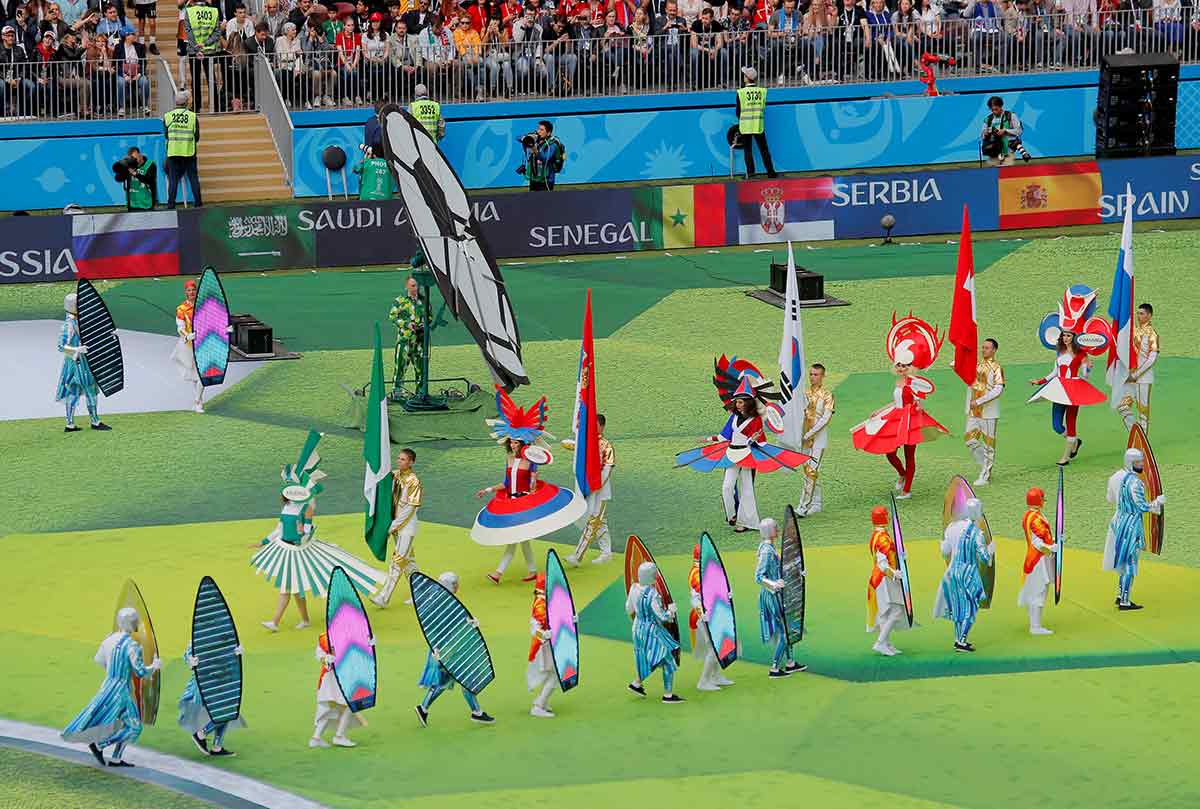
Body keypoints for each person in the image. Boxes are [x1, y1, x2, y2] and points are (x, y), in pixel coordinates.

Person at [252, 431, 385, 631]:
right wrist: (263, 542)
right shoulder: (287, 507)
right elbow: (279, 529)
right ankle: (304, 620)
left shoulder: (307, 507)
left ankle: (275, 622)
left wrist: (302, 533)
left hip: (299, 551)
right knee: (294, 589)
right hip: (285, 550)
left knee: (287, 588)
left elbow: (308, 532)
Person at [676, 357, 808, 531]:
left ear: (748, 402)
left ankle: (745, 522)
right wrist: (707, 440)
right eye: (736, 402)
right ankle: (732, 515)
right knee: (727, 487)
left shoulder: (756, 420)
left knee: (747, 489)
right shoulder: (733, 418)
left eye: (740, 402)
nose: (737, 405)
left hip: (747, 456)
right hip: (732, 454)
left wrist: (755, 438)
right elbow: (723, 437)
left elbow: (761, 442)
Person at [473, 387, 585, 584]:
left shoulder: (530, 461)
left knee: (513, 539)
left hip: (524, 503)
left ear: (523, 443)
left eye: (517, 442)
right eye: (512, 442)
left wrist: (533, 481)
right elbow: (506, 483)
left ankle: (498, 573)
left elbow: (532, 483)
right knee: (521, 539)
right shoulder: (509, 459)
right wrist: (488, 490)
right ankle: (531, 570)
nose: (513, 444)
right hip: (511, 503)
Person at [851, 315, 949, 499]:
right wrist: (880, 411)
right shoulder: (898, 381)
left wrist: (918, 406)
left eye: (905, 366)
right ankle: (902, 474)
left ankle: (907, 490)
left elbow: (919, 400)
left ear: (911, 366)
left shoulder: (914, 382)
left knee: (909, 455)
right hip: (895, 416)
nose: (901, 368)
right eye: (899, 365)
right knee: (890, 452)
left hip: (910, 420)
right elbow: (896, 401)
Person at [62, 607, 162, 767]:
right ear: (130, 623)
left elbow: (99, 660)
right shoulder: (132, 646)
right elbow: (140, 672)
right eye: (135, 620)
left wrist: (113, 672)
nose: (137, 623)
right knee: (135, 727)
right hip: (122, 692)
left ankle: (116, 758)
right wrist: (154, 666)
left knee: (126, 723)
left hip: (108, 686)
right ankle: (100, 745)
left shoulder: (108, 640)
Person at [414, 571, 496, 726]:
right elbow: (447, 625)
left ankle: (423, 708)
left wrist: (469, 623)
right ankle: (476, 712)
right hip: (450, 650)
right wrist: (469, 623)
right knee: (466, 677)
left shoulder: (441, 601)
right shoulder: (444, 603)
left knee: (446, 681)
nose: (458, 586)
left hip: (448, 649)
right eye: (455, 583)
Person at [1028, 329, 1103, 466]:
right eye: (1064, 335)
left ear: (1074, 337)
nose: (1065, 338)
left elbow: (1085, 375)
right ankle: (1075, 441)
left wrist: (1088, 367)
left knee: (1071, 423)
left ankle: (1065, 457)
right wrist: (1039, 381)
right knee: (1056, 425)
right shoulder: (1060, 352)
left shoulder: (1081, 354)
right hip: (1059, 389)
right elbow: (1054, 372)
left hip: (1073, 390)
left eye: (1068, 335)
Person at [1102, 448, 1165, 611]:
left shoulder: (1115, 477)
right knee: (1130, 561)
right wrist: (1157, 502)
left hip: (1117, 521)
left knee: (1122, 559)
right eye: (1139, 462)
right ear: (1131, 462)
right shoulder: (1136, 483)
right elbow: (1142, 507)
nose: (1142, 464)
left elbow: (1110, 499)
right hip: (1130, 525)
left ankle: (1120, 594)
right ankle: (1124, 600)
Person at [932, 497, 994, 652]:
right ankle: (961, 641)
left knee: (958, 606)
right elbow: (984, 558)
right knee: (970, 608)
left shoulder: (952, 527)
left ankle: (957, 639)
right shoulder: (977, 534)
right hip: (969, 574)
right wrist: (991, 552)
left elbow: (945, 551)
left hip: (952, 572)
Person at [371, 448, 422, 608]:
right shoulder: (394, 475)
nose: (399, 461)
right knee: (408, 563)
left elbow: (410, 509)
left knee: (397, 561)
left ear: (411, 462)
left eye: (403, 459)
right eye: (398, 458)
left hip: (406, 528)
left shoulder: (414, 482)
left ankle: (384, 597)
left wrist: (393, 525)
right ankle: (422, 593)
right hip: (395, 526)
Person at [626, 561, 683, 703]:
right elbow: (662, 616)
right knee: (667, 661)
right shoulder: (653, 595)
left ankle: (637, 683)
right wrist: (671, 611)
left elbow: (629, 609)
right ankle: (668, 695)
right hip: (652, 632)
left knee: (648, 657)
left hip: (637, 628)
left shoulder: (633, 588)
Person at [756, 518, 805, 678]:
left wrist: (797, 572)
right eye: (775, 528)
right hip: (773, 595)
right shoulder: (767, 551)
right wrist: (774, 584)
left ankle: (790, 662)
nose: (777, 529)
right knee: (785, 630)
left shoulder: (768, 548)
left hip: (777, 593)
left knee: (787, 627)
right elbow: (758, 577)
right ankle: (775, 668)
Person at [564, 413, 615, 566]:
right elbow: (569, 445)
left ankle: (577, 556)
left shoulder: (607, 446)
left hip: (601, 492)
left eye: (596, 425)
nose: (593, 428)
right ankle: (606, 553)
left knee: (593, 522)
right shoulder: (586, 443)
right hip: (588, 489)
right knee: (600, 523)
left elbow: (607, 469)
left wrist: (595, 485)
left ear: (602, 426)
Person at [179, 642, 244, 757]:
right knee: (227, 711)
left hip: (220, 681)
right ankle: (201, 735)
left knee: (228, 710)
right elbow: (188, 653)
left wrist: (236, 653)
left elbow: (225, 656)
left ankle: (217, 747)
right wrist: (190, 660)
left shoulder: (224, 638)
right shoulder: (202, 638)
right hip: (204, 683)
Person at [57, 292, 110, 432]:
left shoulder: (78, 322)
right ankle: (93, 421)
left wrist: (108, 335)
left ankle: (72, 423)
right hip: (78, 362)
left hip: (80, 361)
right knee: (87, 390)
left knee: (75, 391)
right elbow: (61, 346)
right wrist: (77, 349)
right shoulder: (69, 325)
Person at [310, 631, 368, 747]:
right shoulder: (325, 637)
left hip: (343, 676)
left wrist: (369, 644)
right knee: (335, 707)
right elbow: (320, 655)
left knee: (340, 706)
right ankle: (336, 736)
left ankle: (319, 738)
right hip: (331, 679)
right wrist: (327, 659)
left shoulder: (350, 633)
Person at [688, 543, 730, 690]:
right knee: (713, 646)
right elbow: (696, 598)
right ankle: (703, 681)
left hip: (713, 612)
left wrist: (725, 594)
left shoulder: (706, 569)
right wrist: (703, 614)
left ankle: (715, 676)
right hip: (703, 616)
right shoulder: (696, 573)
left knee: (717, 644)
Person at [866, 505, 906, 656]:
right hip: (884, 579)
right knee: (896, 611)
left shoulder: (876, 535)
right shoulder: (882, 538)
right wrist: (894, 574)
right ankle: (880, 642)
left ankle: (886, 644)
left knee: (885, 613)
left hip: (879, 578)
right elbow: (882, 564)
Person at [964, 337, 1004, 486]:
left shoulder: (996, 368)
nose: (984, 350)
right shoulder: (976, 366)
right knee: (970, 440)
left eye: (987, 348)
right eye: (983, 347)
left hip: (988, 412)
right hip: (973, 411)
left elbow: (998, 389)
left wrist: (979, 401)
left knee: (988, 444)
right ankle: (984, 467)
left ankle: (985, 475)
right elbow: (966, 376)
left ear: (994, 350)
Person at [1018, 486, 1056, 635]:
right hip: (1038, 559)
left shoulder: (1029, 515)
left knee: (1036, 590)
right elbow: (1037, 543)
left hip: (1035, 558)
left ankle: (1035, 623)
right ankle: (1035, 626)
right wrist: (1051, 548)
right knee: (1039, 591)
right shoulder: (1035, 518)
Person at [797, 362, 834, 517]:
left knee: (811, 471)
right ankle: (816, 503)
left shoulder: (827, 395)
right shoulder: (804, 394)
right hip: (804, 439)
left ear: (823, 376)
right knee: (809, 471)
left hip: (818, 439)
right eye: (811, 374)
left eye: (816, 374)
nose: (813, 377)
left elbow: (826, 418)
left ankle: (802, 507)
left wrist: (811, 433)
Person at [1117, 303, 1158, 432]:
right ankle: (1135, 434)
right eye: (1138, 313)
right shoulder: (1133, 331)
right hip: (1129, 376)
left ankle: (1142, 440)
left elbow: (1152, 359)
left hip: (1143, 378)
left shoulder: (1152, 335)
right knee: (1122, 406)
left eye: (1142, 313)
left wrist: (1136, 375)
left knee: (1143, 412)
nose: (1138, 316)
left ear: (1149, 315)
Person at [171, 278, 206, 413]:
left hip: (203, 343)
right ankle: (199, 401)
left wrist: (224, 329)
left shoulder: (203, 306)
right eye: (189, 290)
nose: (191, 292)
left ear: (197, 291)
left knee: (202, 374)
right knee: (194, 375)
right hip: (189, 345)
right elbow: (180, 327)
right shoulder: (181, 309)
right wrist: (187, 336)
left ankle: (197, 401)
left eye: (193, 290)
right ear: (185, 292)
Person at [735, 66, 776, 178]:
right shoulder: (762, 91)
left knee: (747, 150)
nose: (743, 77)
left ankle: (751, 173)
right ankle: (771, 172)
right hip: (758, 125)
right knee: (764, 149)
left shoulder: (741, 92)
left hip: (745, 126)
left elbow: (738, 112)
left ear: (747, 78)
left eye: (744, 75)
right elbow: (762, 107)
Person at [526, 573, 558, 717]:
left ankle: (542, 702)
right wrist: (544, 635)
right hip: (544, 646)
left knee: (551, 674)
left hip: (550, 644)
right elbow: (534, 629)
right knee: (554, 675)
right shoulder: (540, 604)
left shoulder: (548, 600)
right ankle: (539, 705)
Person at [183, 0, 223, 113]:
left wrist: (197, 48)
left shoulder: (189, 11)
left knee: (195, 79)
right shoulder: (214, 11)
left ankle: (196, 106)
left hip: (193, 50)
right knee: (212, 78)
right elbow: (217, 33)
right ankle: (216, 106)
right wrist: (205, 44)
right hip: (209, 50)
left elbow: (188, 31)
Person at [164, 89, 201, 208]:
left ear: (176, 102)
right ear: (186, 103)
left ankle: (171, 205)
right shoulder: (192, 116)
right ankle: (198, 203)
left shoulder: (168, 116)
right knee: (193, 178)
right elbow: (197, 137)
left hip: (173, 153)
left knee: (173, 179)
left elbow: (166, 135)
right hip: (189, 152)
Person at [388, 274, 423, 391]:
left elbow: (429, 317)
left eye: (417, 285)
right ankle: (397, 392)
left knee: (421, 370)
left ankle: (421, 393)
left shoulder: (424, 301)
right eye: (413, 286)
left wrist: (424, 324)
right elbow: (392, 317)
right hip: (404, 341)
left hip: (420, 342)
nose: (415, 288)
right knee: (400, 368)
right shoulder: (399, 301)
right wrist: (407, 324)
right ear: (406, 286)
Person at [516, 119, 565, 191]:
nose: (538, 131)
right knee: (533, 197)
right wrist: (526, 137)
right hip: (534, 178)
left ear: (548, 133)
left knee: (545, 198)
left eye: (542, 130)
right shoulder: (536, 139)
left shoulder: (553, 145)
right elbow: (517, 137)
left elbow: (545, 158)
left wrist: (536, 150)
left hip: (546, 179)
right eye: (538, 129)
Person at [980, 95, 1024, 165]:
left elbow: (1019, 131)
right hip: (993, 153)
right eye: (992, 110)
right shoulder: (988, 119)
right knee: (993, 171)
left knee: (1006, 170)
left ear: (1001, 106)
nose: (994, 112)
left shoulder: (1011, 116)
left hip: (1008, 152)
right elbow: (982, 136)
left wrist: (1005, 131)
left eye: (996, 109)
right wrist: (985, 134)